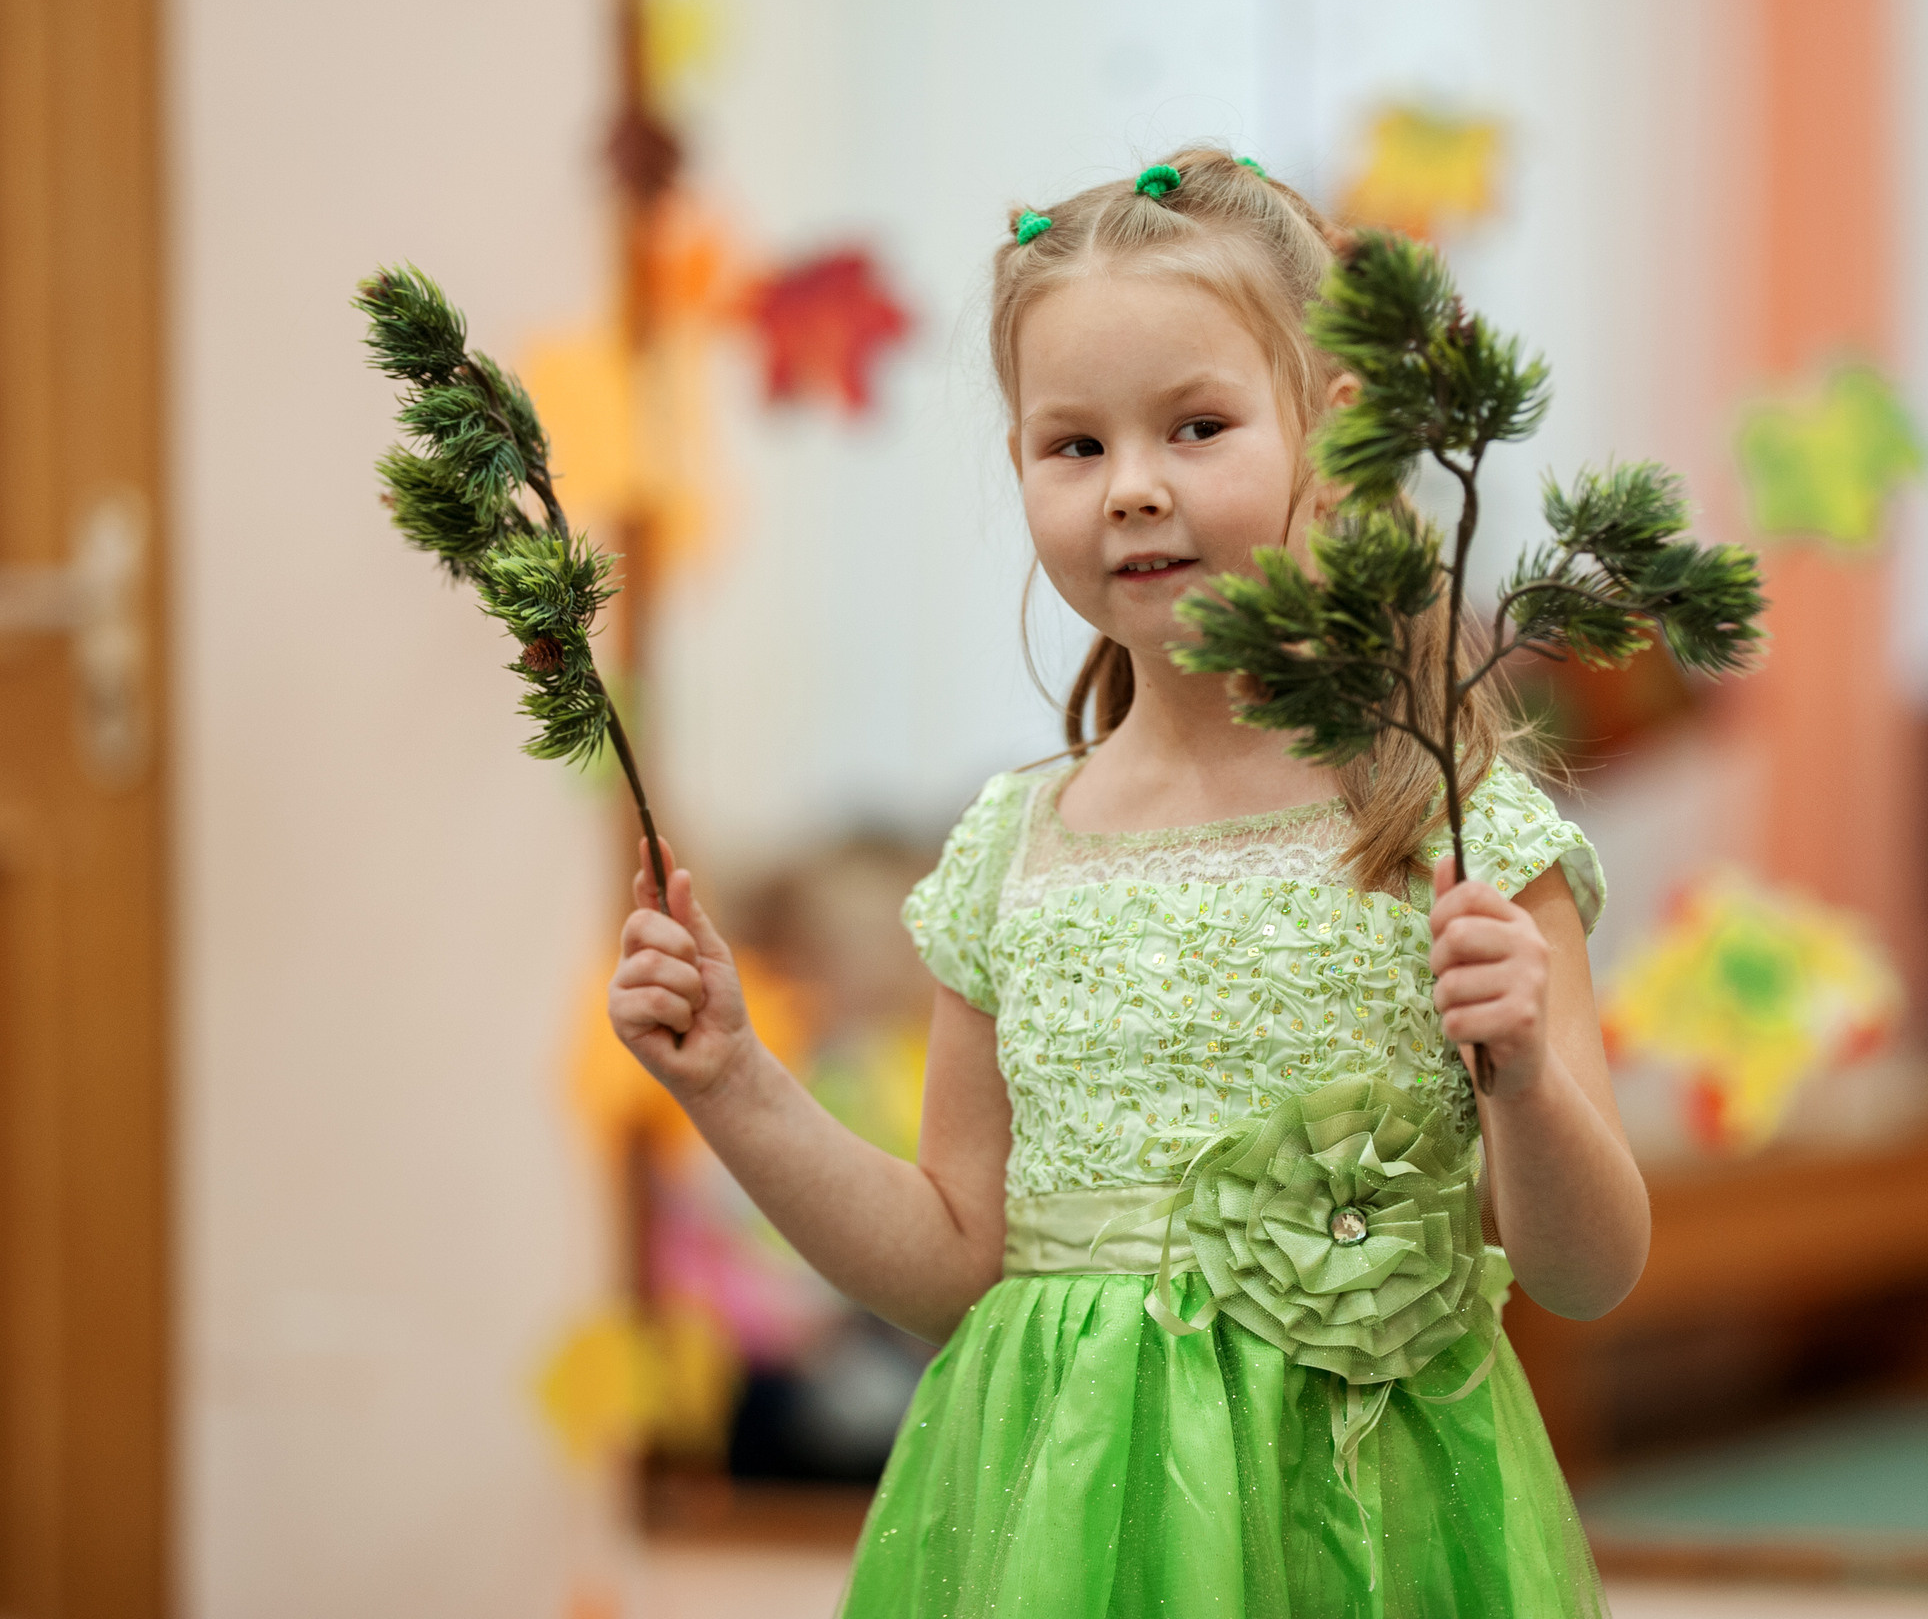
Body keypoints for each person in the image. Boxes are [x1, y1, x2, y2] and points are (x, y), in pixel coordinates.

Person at [606, 148, 1639, 1615]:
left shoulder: (1452, 827)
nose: (1135, 489)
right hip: (1055, 1533)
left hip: (1363, 1529)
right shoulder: (1012, 851)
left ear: (1336, 440)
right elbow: (951, 1267)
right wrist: (734, 1085)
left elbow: (1590, 1272)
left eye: (1198, 426)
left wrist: (1525, 1078)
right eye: (1073, 446)